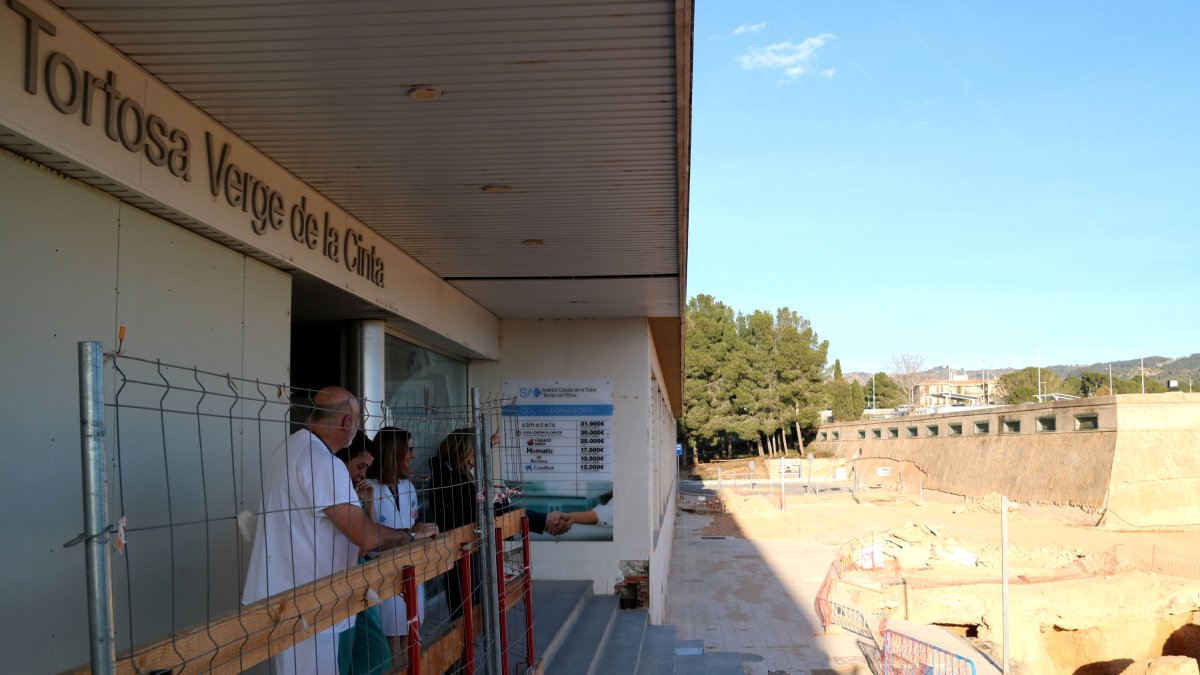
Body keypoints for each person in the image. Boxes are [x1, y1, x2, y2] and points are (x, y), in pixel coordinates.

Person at [242, 387, 438, 675]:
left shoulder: (288, 449)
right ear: (347, 423)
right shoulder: (323, 463)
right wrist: (411, 535)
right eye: (357, 422)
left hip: (290, 600)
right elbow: (366, 537)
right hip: (311, 607)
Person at [365, 427, 426, 665]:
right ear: (394, 452)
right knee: (389, 649)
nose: (412, 456)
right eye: (408, 450)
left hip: (412, 574)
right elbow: (370, 541)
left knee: (410, 640)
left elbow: (413, 527)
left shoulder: (408, 488)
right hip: (383, 576)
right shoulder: (369, 488)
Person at [333, 434, 391, 675]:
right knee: (343, 658)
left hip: (360, 582)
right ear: (342, 461)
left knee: (377, 656)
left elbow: (370, 541)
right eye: (359, 466)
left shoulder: (353, 492)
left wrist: (369, 504)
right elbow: (365, 544)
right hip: (341, 587)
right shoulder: (334, 492)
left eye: (366, 468)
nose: (362, 474)